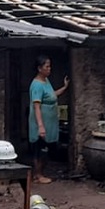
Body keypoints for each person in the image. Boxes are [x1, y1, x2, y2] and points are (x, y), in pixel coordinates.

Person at [28, 55, 69, 184]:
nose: (49, 69)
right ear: (40, 68)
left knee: (45, 147)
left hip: (49, 121)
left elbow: (51, 96)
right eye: (47, 66)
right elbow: (36, 107)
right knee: (40, 148)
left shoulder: (46, 81)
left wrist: (64, 87)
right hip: (41, 121)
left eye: (50, 66)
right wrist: (40, 126)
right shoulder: (37, 85)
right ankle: (38, 175)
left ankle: (39, 174)